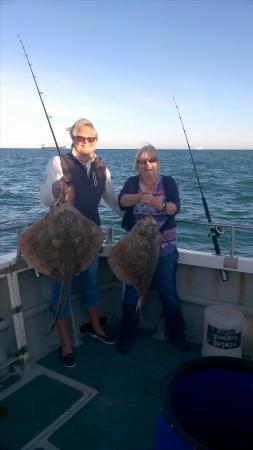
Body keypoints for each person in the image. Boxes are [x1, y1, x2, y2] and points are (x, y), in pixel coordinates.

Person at [40, 118, 121, 367]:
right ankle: (66, 343)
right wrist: (56, 188)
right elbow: (44, 197)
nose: (85, 142)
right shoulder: (58, 162)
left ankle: (96, 326)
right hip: (62, 239)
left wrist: (136, 213)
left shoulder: (101, 168)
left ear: (96, 140)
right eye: (80, 138)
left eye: (91, 138)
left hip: (89, 238)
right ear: (73, 139)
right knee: (61, 290)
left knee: (90, 284)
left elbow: (113, 200)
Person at [117, 144, 190, 353]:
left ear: (158, 162)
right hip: (136, 249)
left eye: (151, 160)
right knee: (132, 294)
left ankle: (177, 334)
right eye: (142, 161)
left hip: (164, 250)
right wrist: (139, 197)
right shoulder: (132, 183)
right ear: (137, 165)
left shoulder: (168, 182)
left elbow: (176, 206)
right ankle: (127, 335)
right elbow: (122, 202)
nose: (147, 164)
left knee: (168, 293)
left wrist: (160, 205)